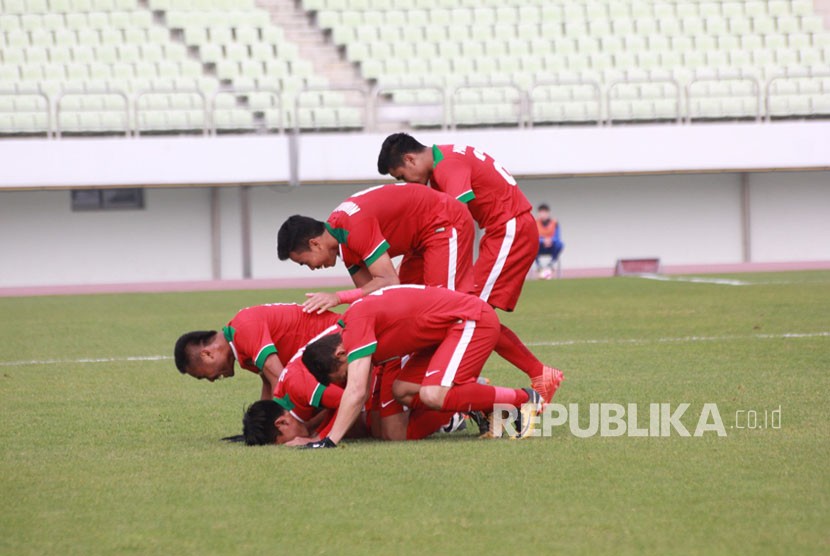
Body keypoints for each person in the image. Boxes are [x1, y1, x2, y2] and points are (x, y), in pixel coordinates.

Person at [376, 133, 563, 402]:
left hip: (509, 230)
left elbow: (454, 218)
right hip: (503, 230)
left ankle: (511, 378)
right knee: (470, 313)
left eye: (402, 175)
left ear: (410, 159)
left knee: (471, 314)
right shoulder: (446, 159)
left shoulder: (447, 166)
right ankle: (517, 377)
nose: (406, 182)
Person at [299, 285, 543, 448]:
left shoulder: (355, 326)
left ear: (341, 354)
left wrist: (328, 440)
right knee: (403, 390)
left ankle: (524, 398)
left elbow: (356, 390)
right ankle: (482, 403)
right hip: (448, 330)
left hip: (468, 319)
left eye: (343, 374)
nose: (348, 377)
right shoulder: (354, 322)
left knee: (432, 393)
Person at [276, 182, 474, 314]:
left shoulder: (353, 227)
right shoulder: (343, 244)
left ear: (315, 243)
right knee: (407, 308)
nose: (310, 268)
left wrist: (337, 297)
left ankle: (461, 375)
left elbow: (388, 281)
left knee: (443, 308)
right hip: (420, 241)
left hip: (444, 221)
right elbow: (375, 298)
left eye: (304, 262)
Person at [173, 303, 341, 399]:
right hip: (329, 354)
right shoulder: (239, 347)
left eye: (202, 376)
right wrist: (261, 423)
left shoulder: (243, 328)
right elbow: (269, 383)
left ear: (207, 354)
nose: (210, 380)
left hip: (341, 339)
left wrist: (279, 424)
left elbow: (280, 379)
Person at [535, 203, 564, 279]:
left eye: (545, 212)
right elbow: (533, 237)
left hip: (551, 247)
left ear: (548, 213)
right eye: (541, 212)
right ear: (538, 213)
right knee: (531, 246)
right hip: (540, 247)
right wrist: (542, 240)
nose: (543, 214)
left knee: (560, 244)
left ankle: (551, 264)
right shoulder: (535, 223)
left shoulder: (555, 223)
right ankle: (539, 266)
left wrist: (551, 240)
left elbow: (557, 237)